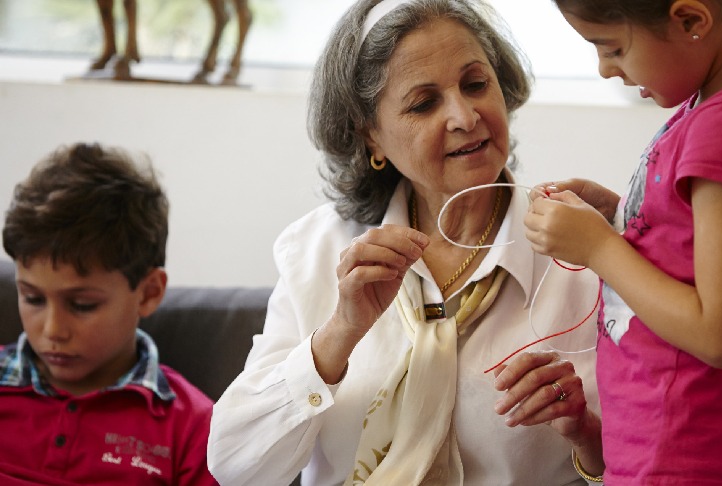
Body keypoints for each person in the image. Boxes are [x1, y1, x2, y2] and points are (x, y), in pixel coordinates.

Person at [207, 0, 603, 485]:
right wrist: (338, 335)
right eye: (424, 103)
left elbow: (657, 460)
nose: (464, 116)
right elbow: (236, 466)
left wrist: (588, 436)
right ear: (370, 136)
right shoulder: (317, 248)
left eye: (476, 84)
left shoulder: (584, 252)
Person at [525, 0, 722, 483]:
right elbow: (697, 247)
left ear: (692, 20)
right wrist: (617, 216)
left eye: (612, 47)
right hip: (681, 453)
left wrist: (598, 248)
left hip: (687, 460)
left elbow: (721, 335)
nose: (604, 69)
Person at [0, 143, 218, 486]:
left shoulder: (194, 429)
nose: (53, 330)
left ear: (148, 293)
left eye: (82, 305)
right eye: (33, 298)